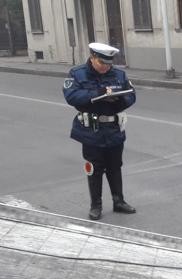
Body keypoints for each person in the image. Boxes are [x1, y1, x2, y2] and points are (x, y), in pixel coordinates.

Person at [63, 43, 137, 220]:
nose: (105, 67)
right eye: (102, 63)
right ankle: (95, 205)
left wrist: (117, 100)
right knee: (94, 168)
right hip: (91, 130)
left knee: (115, 166)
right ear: (92, 57)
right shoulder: (78, 73)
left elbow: (131, 95)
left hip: (113, 128)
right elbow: (71, 96)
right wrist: (97, 94)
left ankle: (119, 201)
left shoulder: (119, 74)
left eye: (108, 64)